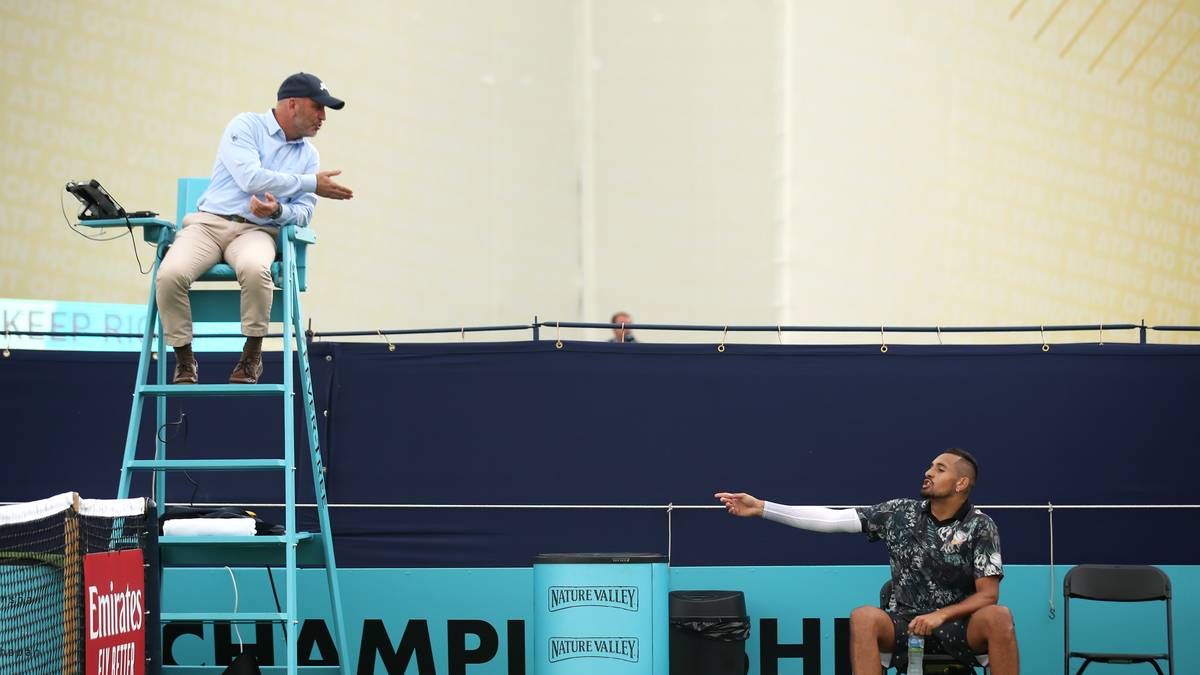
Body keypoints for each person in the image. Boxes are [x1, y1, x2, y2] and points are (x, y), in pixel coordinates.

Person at [715, 448, 1019, 675]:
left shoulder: (981, 526)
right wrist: (763, 508)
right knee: (863, 616)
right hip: (905, 622)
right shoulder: (899, 513)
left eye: (940, 469)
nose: (928, 472)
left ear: (961, 483)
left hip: (960, 625)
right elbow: (832, 519)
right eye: (930, 466)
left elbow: (988, 595)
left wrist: (940, 616)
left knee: (999, 616)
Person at [156, 72, 354, 384]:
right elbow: (250, 179)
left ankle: (251, 356)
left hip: (257, 231)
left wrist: (278, 209)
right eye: (318, 107)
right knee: (168, 275)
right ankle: (183, 358)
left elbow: (303, 213)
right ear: (292, 104)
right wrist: (312, 183)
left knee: (255, 269)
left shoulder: (309, 156)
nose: (323, 117)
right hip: (208, 224)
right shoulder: (246, 125)